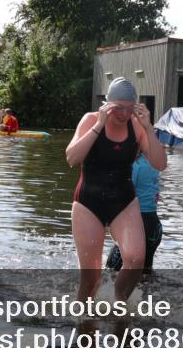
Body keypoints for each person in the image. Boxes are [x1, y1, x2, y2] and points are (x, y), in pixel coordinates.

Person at [66, 77, 167, 302]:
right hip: (88, 201)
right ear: (107, 105)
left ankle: (119, 302)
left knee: (136, 258)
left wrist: (149, 128)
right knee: (90, 279)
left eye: (129, 108)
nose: (123, 114)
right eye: (118, 108)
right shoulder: (90, 120)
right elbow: (72, 158)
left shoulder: (137, 125)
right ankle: (83, 319)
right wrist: (98, 125)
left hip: (123, 200)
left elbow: (160, 163)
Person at [106, 151, 163, 273]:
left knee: (110, 273)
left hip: (135, 227)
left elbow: (123, 196)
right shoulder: (153, 162)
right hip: (154, 228)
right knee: (145, 277)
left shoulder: (134, 165)